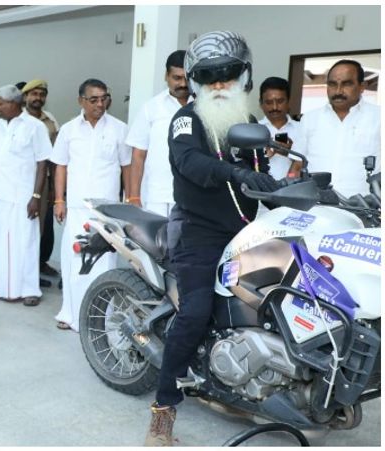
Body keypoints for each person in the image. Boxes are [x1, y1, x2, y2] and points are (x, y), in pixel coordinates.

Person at [144, 31, 279, 446]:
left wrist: (290, 190)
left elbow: (260, 176)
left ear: (244, 77)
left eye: (228, 74)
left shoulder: (249, 123)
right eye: (209, 76)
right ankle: (163, 409)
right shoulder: (186, 119)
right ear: (196, 82)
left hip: (245, 230)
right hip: (197, 231)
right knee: (196, 310)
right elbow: (191, 163)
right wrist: (237, 173)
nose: (219, 84)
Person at [51, 79, 131, 331]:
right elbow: (60, 166)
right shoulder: (68, 130)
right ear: (81, 101)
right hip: (76, 207)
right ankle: (71, 314)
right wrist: (59, 200)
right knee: (75, 260)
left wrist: (130, 200)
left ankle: (100, 318)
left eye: (104, 98)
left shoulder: (119, 129)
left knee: (104, 263)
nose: (100, 104)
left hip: (106, 211)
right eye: (94, 99)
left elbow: (127, 167)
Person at [0, 84, 52, 307]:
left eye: (0, 103)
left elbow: (42, 163)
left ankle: (29, 290)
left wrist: (36, 196)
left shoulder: (35, 127)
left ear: (14, 104)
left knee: (25, 243)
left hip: (22, 197)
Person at [293, 59, 380, 197]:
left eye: (347, 84)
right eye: (332, 84)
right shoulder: (309, 119)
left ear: (362, 86)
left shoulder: (379, 117)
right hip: (316, 203)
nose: (338, 91)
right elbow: (297, 165)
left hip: (365, 205)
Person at [125, 50, 191, 217]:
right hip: (156, 195)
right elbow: (138, 155)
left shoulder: (202, 106)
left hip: (193, 195)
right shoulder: (151, 108)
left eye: (186, 78)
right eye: (177, 78)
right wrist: (134, 196)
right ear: (166, 76)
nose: (183, 84)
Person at [21, 79, 61, 279]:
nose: (38, 98)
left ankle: (40, 263)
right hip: (21, 180)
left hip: (44, 180)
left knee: (44, 225)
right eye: (34, 94)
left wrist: (54, 187)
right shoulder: (18, 119)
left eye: (42, 94)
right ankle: (24, 269)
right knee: (23, 225)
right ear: (25, 96)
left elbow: (56, 156)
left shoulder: (50, 120)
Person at [257, 76, 303, 179]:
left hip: (293, 186)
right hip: (259, 187)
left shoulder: (302, 129)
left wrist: (290, 153)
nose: (275, 107)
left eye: (280, 101)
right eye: (269, 102)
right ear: (261, 104)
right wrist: (266, 153)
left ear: (289, 102)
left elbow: (308, 165)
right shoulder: (253, 130)